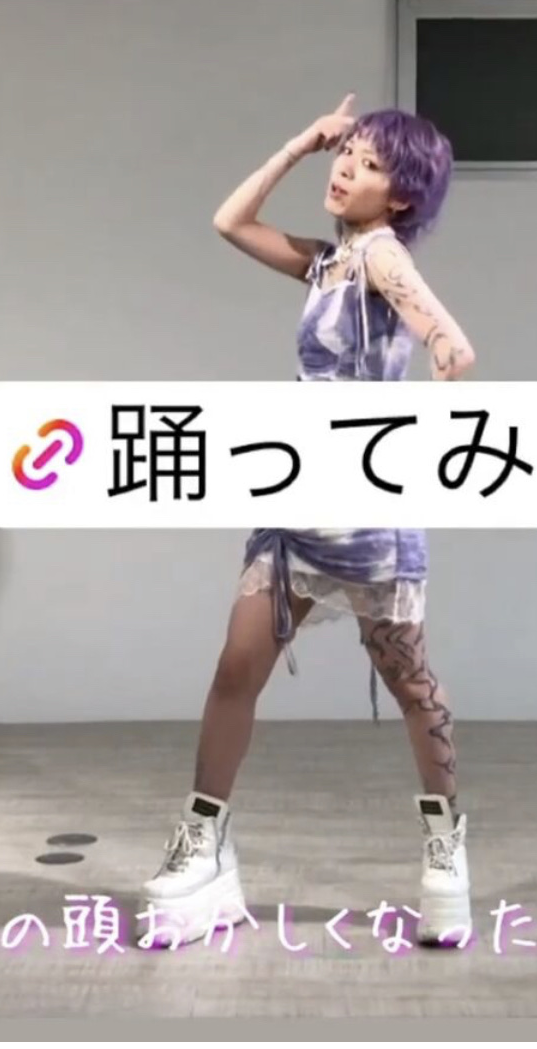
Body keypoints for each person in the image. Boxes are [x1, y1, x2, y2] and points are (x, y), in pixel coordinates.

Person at [139, 95, 477, 950]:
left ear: (401, 195)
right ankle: (204, 841)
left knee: (410, 684)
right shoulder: (329, 262)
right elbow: (229, 221)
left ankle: (445, 851)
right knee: (236, 668)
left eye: (369, 163)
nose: (346, 167)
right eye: (346, 153)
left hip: (363, 508)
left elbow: (449, 345)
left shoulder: (381, 255)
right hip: (296, 505)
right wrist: (299, 142)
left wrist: (416, 415)